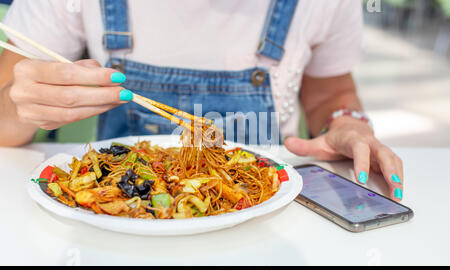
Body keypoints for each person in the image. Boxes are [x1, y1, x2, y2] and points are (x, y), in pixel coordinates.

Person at [0, 0, 404, 201]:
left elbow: (332, 94)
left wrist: (348, 123)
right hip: (117, 220)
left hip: (266, 213)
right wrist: (20, 108)